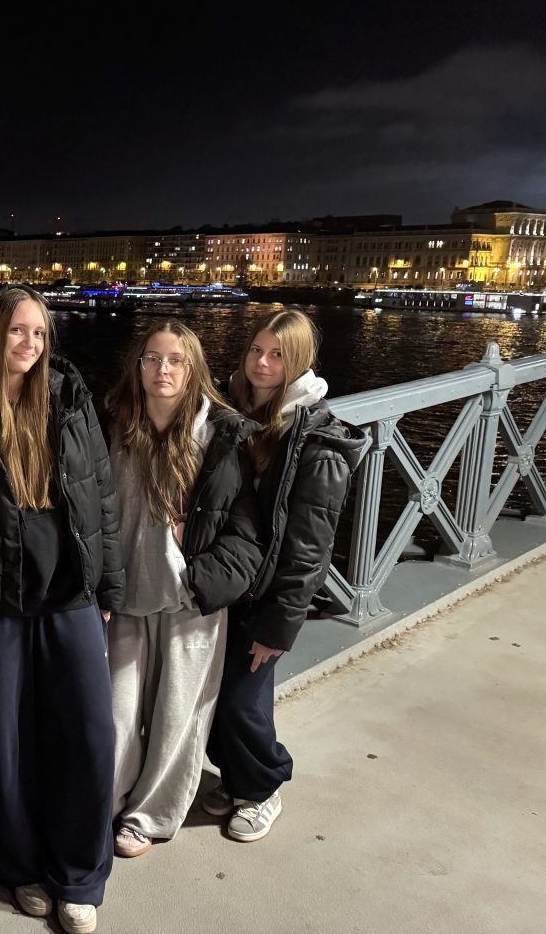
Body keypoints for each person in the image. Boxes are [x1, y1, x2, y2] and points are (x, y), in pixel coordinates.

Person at [0, 285, 122, 934]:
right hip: (0, 595)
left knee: (89, 731)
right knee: (5, 739)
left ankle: (79, 872)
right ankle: (16, 862)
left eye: (39, 332)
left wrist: (110, 586)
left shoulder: (69, 394)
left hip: (69, 588)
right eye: (17, 330)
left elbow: (101, 490)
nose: (29, 343)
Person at [204, 309, 368, 841]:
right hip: (228, 579)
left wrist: (279, 626)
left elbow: (310, 548)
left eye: (277, 355)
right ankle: (238, 777)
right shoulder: (233, 409)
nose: (262, 363)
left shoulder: (317, 441)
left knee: (242, 700)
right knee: (216, 694)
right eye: (256, 350)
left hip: (265, 596)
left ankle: (263, 788)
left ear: (299, 362)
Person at [107, 319, 262, 859]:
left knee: (179, 715)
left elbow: (246, 524)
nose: (163, 370)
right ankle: (107, 802)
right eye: (153, 358)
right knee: (116, 713)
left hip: (189, 598)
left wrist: (204, 580)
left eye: (176, 360)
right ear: (137, 365)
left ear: (193, 369)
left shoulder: (223, 436)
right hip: (122, 595)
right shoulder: (112, 424)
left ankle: (149, 817)